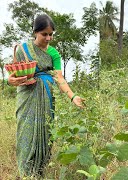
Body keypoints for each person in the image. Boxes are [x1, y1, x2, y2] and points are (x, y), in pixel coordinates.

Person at [7, 14, 85, 177]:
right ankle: (26, 173)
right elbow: (13, 76)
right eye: (44, 34)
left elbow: (59, 78)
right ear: (35, 32)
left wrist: (73, 96)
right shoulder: (23, 49)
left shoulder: (54, 54)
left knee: (45, 131)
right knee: (25, 133)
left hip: (46, 97)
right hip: (27, 98)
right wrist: (11, 81)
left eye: (51, 34)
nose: (48, 38)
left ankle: (40, 171)